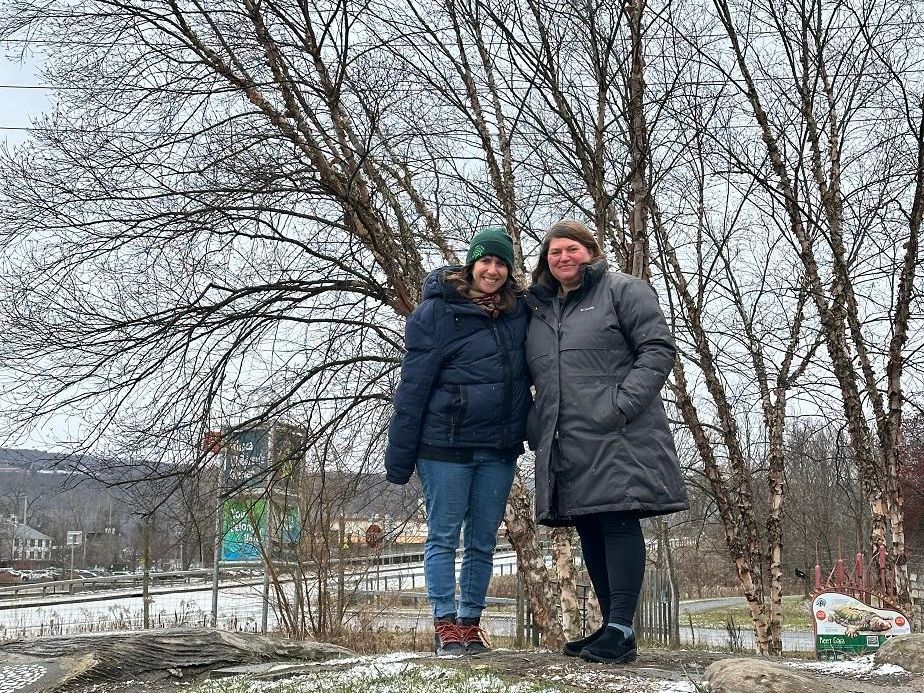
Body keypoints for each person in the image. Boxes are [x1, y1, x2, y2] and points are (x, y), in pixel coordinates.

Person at [524, 219, 688, 664]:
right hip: (565, 439)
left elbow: (658, 349)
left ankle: (621, 628)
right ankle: (612, 629)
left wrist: (620, 405)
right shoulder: (539, 310)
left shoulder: (623, 290)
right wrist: (533, 423)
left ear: (591, 251)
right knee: (590, 525)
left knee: (617, 519)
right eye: (555, 251)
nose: (563, 258)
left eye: (572, 249)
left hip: (619, 434)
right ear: (545, 259)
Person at [385, 227, 531, 655]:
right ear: (471, 263)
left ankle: (470, 624)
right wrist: (399, 457)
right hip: (444, 446)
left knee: (484, 540)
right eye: (486, 261)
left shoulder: (518, 313)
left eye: (502, 263)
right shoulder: (435, 313)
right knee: (444, 537)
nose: (493, 270)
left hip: (499, 448)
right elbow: (412, 387)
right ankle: (445, 624)